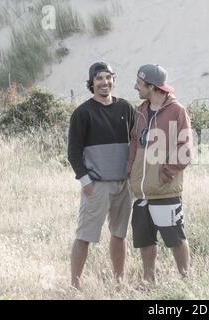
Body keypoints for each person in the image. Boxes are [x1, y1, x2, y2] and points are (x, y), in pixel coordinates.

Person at [68, 62, 135, 289]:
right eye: (99, 78)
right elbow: (73, 152)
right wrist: (85, 181)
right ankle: (75, 286)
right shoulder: (82, 112)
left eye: (108, 77)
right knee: (85, 236)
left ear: (113, 80)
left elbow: (137, 141)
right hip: (97, 185)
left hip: (124, 185)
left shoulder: (126, 108)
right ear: (91, 83)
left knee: (119, 235)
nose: (104, 83)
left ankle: (119, 281)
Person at [127, 64, 192, 284]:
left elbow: (185, 148)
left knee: (174, 238)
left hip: (165, 190)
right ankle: (149, 281)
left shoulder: (177, 111)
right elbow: (135, 142)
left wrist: (168, 172)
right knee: (145, 241)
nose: (135, 86)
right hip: (141, 191)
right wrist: (130, 171)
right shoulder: (141, 110)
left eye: (139, 83)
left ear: (152, 86)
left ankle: (186, 280)